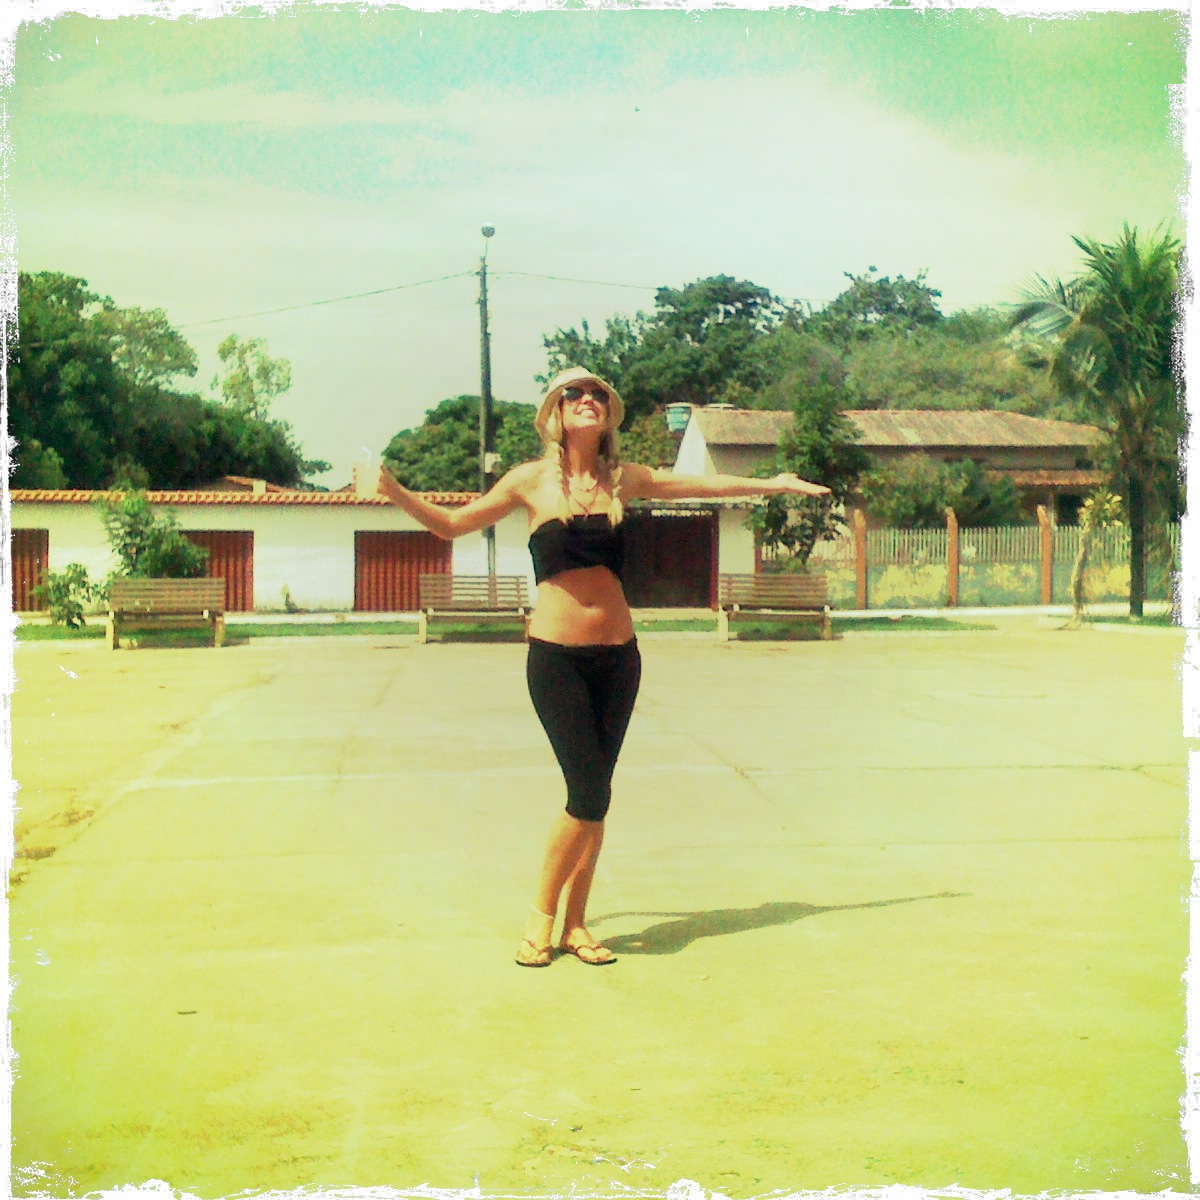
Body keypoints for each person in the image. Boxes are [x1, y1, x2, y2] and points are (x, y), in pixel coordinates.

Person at [371, 365, 830, 967]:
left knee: (598, 794)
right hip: (556, 661)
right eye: (575, 393)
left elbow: (700, 485)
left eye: (597, 394)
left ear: (607, 413)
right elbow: (454, 525)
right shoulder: (530, 481)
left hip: (619, 660)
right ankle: (540, 920)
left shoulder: (624, 479)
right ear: (556, 413)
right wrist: (395, 492)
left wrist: (773, 483)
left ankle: (577, 925)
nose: (588, 399)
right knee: (586, 791)